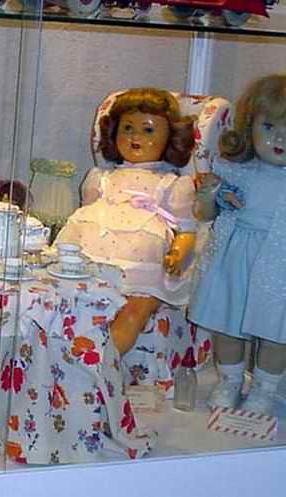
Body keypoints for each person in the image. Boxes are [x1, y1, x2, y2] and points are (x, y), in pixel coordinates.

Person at [190, 75, 286, 415]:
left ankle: (264, 390)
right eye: (268, 126)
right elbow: (206, 214)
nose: (280, 139)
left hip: (282, 268)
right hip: (234, 264)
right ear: (250, 126)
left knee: (276, 335)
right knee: (228, 326)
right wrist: (207, 196)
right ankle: (230, 381)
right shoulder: (235, 172)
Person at [56, 88, 197, 356]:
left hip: (144, 268)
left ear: (170, 137)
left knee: (134, 312)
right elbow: (84, 216)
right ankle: (69, 359)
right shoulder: (100, 178)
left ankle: (105, 364)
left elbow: (187, 228)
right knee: (70, 303)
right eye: (128, 128)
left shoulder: (173, 185)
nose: (135, 136)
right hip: (93, 260)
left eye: (148, 130)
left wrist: (178, 252)